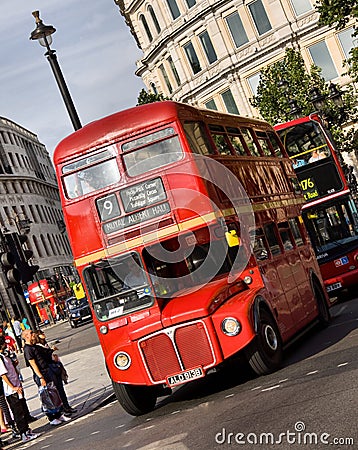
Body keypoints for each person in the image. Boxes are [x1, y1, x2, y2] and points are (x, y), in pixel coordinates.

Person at [22, 330, 74, 426]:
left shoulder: (34, 347)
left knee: (55, 394)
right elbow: (33, 364)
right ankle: (52, 417)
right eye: (31, 333)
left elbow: (46, 352)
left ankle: (59, 415)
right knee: (47, 397)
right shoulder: (28, 349)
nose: (33, 334)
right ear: (26, 336)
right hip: (41, 375)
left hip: (48, 372)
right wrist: (41, 377)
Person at [0, 336, 39, 443]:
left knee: (22, 409)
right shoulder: (0, 358)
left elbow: (11, 370)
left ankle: (27, 430)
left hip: (17, 386)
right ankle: (23, 434)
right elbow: (3, 375)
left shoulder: (5, 356)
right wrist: (13, 387)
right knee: (18, 413)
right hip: (11, 390)